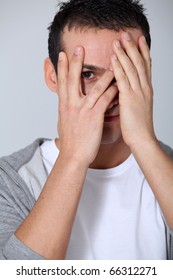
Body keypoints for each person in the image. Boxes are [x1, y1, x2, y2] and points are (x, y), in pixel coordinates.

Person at [0, 0, 173, 260]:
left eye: (125, 72)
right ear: (53, 76)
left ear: (145, 73)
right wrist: (74, 156)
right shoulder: (10, 181)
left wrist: (143, 140)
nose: (109, 94)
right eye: (88, 75)